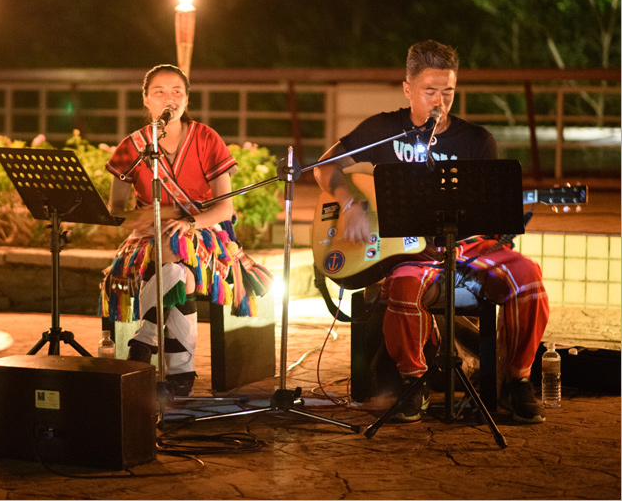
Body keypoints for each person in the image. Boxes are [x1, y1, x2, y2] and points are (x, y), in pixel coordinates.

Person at [313, 40, 549, 423]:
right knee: (404, 286)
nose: (440, 101)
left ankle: (517, 382)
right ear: (408, 90)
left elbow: (491, 214)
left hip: (468, 244)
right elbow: (325, 166)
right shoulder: (384, 129)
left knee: (529, 278)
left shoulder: (476, 140)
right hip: (411, 250)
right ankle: (414, 382)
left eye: (448, 92)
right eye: (430, 91)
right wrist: (352, 203)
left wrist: (504, 216)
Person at [99, 64, 272, 397]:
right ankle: (180, 371)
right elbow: (116, 211)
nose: (170, 98)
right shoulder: (131, 147)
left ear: (187, 99)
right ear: (146, 99)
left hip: (207, 237)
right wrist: (147, 217)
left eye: (178, 91)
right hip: (146, 239)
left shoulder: (207, 138)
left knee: (175, 246)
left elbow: (225, 208)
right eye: (160, 92)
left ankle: (144, 340)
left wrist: (188, 222)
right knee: (179, 273)